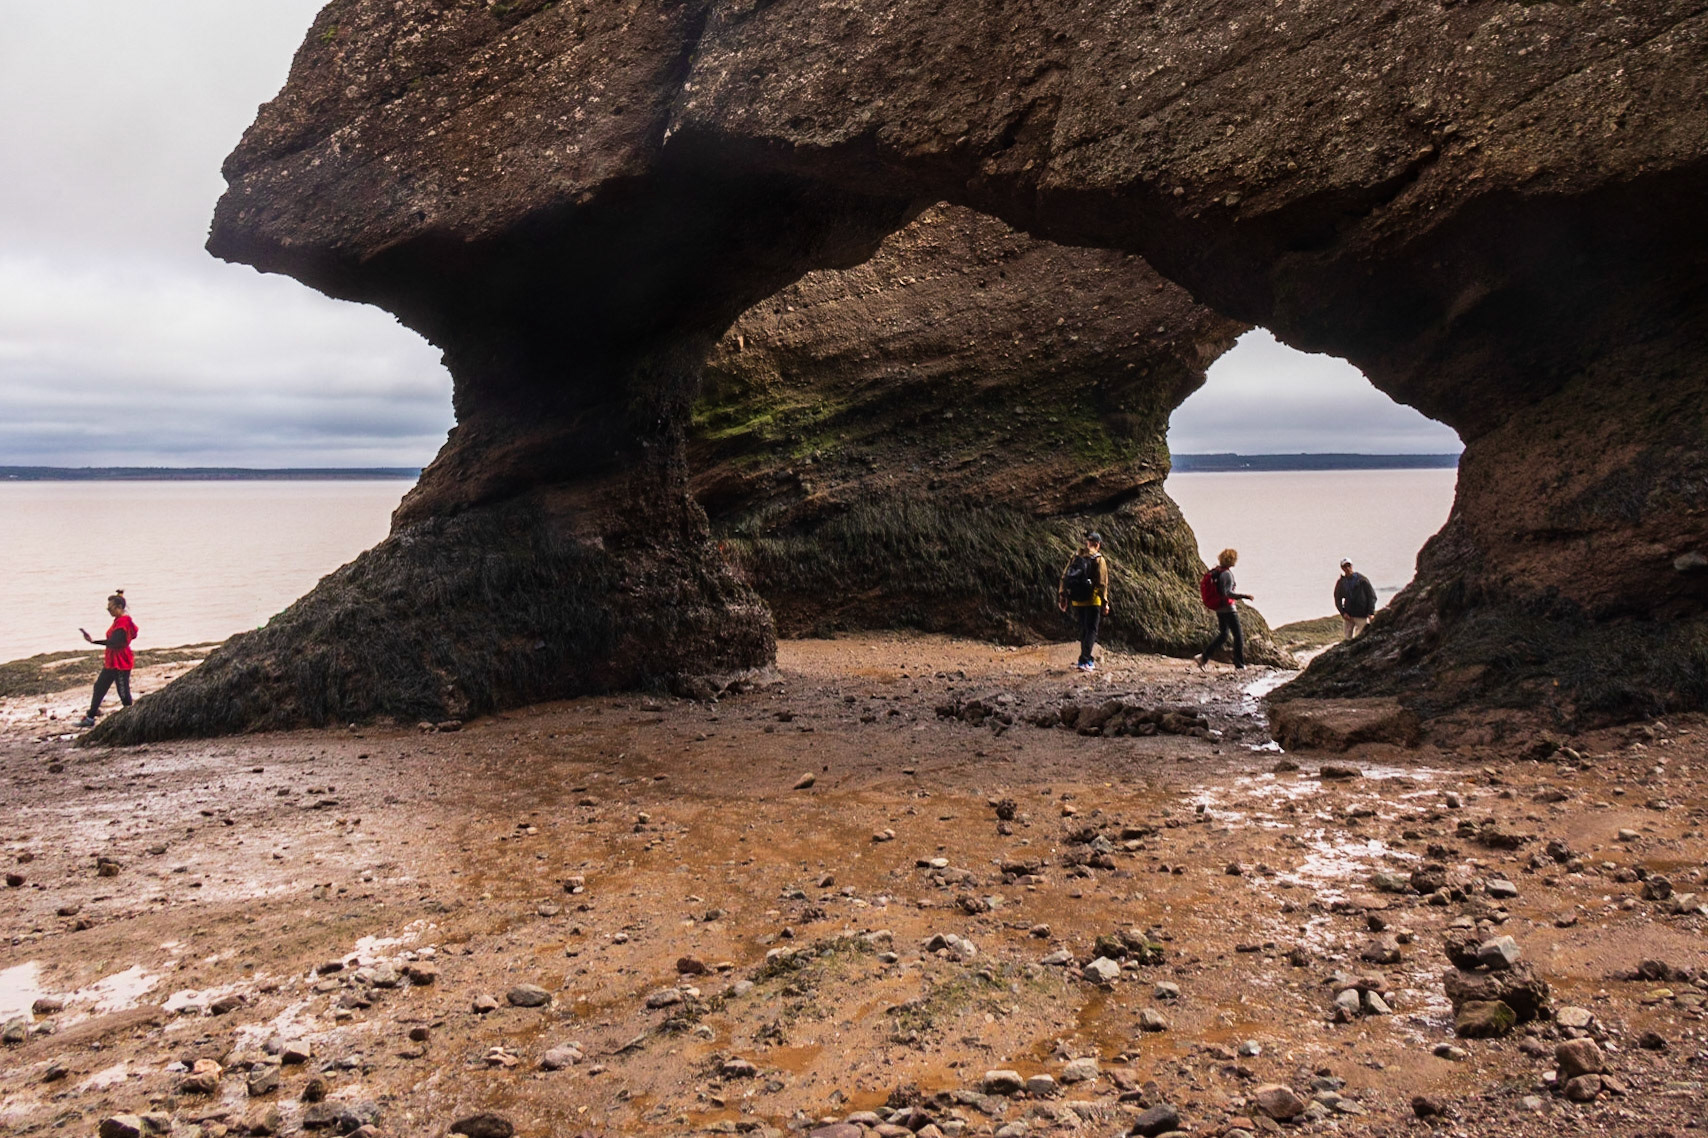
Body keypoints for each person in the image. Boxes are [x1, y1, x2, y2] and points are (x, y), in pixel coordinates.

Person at [78, 590, 139, 728]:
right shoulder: (121, 620)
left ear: (118, 607)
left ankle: (131, 717)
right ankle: (90, 717)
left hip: (121, 661)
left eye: (110, 608)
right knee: (100, 687)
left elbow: (114, 642)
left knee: (123, 691)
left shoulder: (123, 622)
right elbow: (132, 634)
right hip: (112, 661)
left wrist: (93, 642)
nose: (108, 611)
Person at [1058, 531, 1110, 672]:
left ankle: (1086, 659)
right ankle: (1084, 660)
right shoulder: (1099, 559)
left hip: (1077, 600)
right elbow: (1102, 583)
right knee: (1092, 630)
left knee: (1084, 630)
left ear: (1088, 543)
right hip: (1092, 600)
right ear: (1097, 544)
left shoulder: (1075, 556)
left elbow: (1065, 576)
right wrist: (1105, 603)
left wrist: (1063, 596)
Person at [1195, 548, 1253, 670]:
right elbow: (1227, 593)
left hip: (1220, 608)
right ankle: (1240, 664)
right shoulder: (1226, 574)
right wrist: (1244, 596)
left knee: (1224, 635)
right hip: (1228, 609)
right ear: (1232, 560)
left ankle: (1203, 657)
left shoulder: (1217, 571)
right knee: (1238, 636)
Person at [1333, 558, 1378, 639]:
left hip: (1362, 615)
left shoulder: (1362, 580)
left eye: (1348, 566)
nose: (1347, 568)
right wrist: (1343, 613)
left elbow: (1372, 596)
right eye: (1345, 566)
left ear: (1352, 566)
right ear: (1342, 568)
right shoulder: (1341, 582)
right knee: (1347, 639)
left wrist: (1371, 612)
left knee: (1363, 637)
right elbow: (1337, 599)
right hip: (1349, 616)